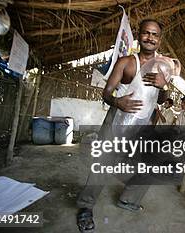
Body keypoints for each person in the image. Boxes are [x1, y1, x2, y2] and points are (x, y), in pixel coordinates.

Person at [76, 19, 169, 233]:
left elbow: (162, 98)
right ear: (139, 35)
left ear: (159, 39)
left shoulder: (162, 66)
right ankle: (86, 207)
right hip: (118, 118)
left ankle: (128, 199)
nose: (150, 37)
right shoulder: (126, 62)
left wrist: (166, 86)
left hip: (143, 123)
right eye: (146, 33)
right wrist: (118, 102)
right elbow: (106, 93)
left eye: (154, 34)